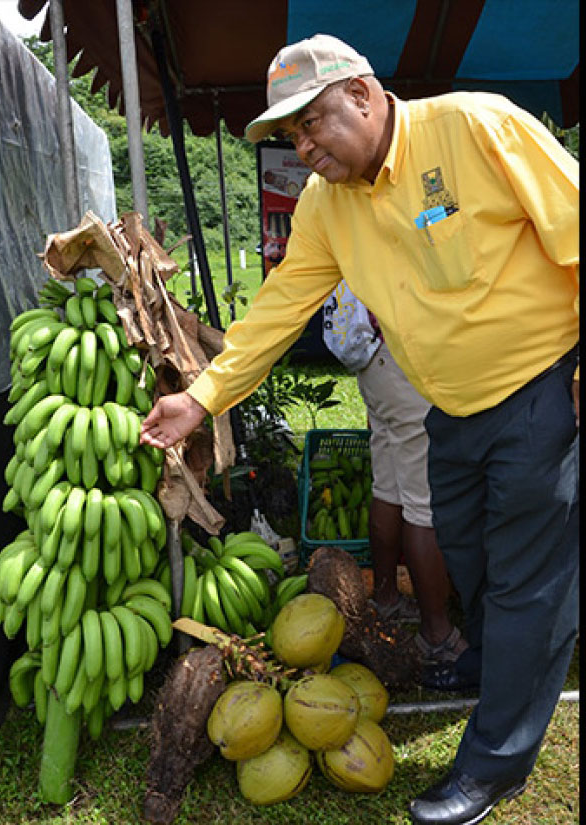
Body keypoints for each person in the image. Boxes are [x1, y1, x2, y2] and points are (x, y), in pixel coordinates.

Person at [141, 34, 579, 825]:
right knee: (469, 555)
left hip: (537, 392)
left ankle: (495, 762)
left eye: (312, 124)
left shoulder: (476, 127)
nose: (304, 147)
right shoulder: (325, 206)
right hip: (450, 409)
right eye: (292, 136)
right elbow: (276, 313)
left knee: (526, 582)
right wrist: (201, 398)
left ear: (366, 96)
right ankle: (495, 658)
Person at [322, 280, 469, 672]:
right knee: (423, 505)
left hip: (374, 362)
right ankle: (437, 635)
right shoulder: (398, 222)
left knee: (388, 485)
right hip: (401, 361)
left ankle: (386, 598)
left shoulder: (353, 224)